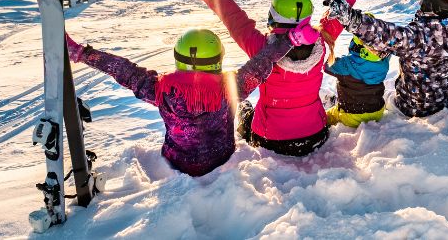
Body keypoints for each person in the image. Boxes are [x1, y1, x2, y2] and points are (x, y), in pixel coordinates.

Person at [178, 0, 385, 156]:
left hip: (271, 140)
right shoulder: (322, 41)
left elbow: (231, 15)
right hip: (315, 134)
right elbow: (343, 5)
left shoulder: (262, 49)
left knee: (245, 110)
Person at [64, 19, 320, 176]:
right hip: (222, 158)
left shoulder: (160, 89)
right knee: (245, 109)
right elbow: (263, 62)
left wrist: (83, 54)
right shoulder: (231, 87)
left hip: (178, 163)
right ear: (217, 60)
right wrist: (291, 39)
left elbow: (123, 70)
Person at [324, 14, 391, 128]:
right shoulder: (383, 62)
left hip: (352, 115)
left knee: (326, 117)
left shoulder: (346, 64)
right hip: (377, 112)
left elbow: (327, 66)